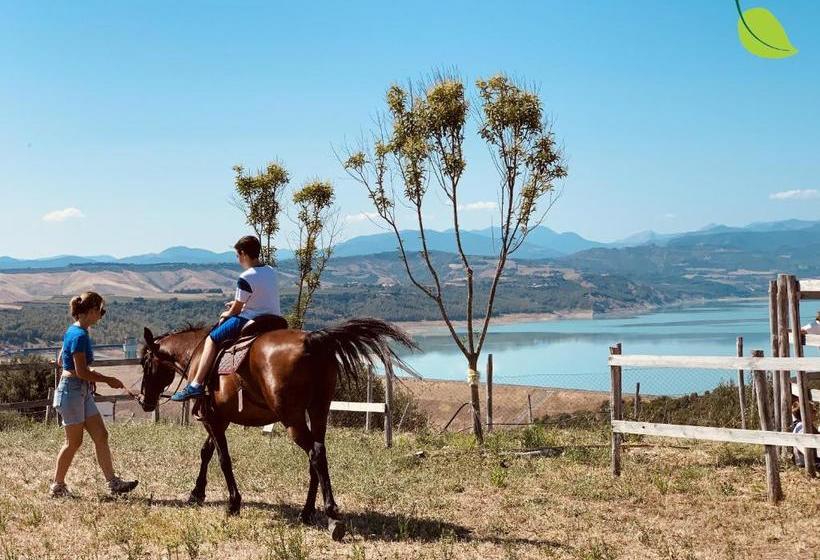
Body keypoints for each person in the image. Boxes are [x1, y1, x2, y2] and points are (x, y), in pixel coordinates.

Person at [50, 291, 139, 498]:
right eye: (102, 311)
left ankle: (113, 483)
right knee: (73, 443)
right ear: (91, 311)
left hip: (78, 390)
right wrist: (108, 380)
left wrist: (87, 381)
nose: (102, 315)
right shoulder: (80, 335)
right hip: (72, 391)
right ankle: (57, 486)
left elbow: (61, 362)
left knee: (101, 435)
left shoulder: (74, 331)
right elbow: (81, 371)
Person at [172, 235, 281, 401]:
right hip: (274, 318)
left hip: (250, 319)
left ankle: (196, 384)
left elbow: (236, 310)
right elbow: (262, 298)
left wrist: (227, 313)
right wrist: (240, 305)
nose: (238, 259)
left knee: (211, 339)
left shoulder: (246, 277)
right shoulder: (271, 271)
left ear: (243, 253)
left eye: (237, 255)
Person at [790, 396, 820, 469]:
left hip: (813, 459)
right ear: (805, 414)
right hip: (805, 462)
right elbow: (804, 449)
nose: (815, 411)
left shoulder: (808, 426)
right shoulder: (801, 427)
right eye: (812, 410)